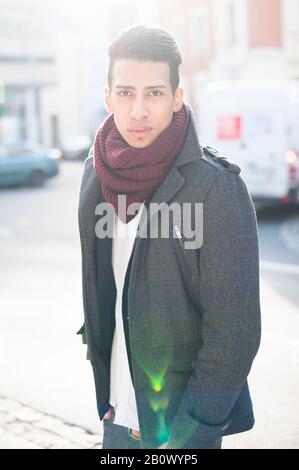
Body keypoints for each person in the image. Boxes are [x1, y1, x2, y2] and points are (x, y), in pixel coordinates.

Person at [77, 24, 261, 449]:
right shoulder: (94, 176)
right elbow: (104, 293)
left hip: (179, 433)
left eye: (154, 93)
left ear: (178, 97)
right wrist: (108, 395)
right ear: (108, 98)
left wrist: (188, 434)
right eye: (125, 93)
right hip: (116, 422)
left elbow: (235, 331)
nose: (138, 110)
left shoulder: (215, 187)